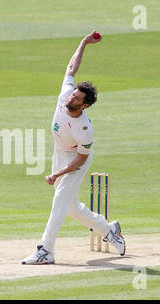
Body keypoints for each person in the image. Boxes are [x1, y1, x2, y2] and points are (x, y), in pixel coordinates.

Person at [21, 31, 126, 265]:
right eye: (73, 95)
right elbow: (71, 69)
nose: (71, 100)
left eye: (77, 100)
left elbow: (80, 160)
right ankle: (109, 230)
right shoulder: (66, 94)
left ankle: (45, 250)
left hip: (76, 161)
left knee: (59, 202)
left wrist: (57, 173)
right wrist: (83, 43)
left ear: (85, 105)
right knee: (71, 208)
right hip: (60, 152)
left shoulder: (84, 128)